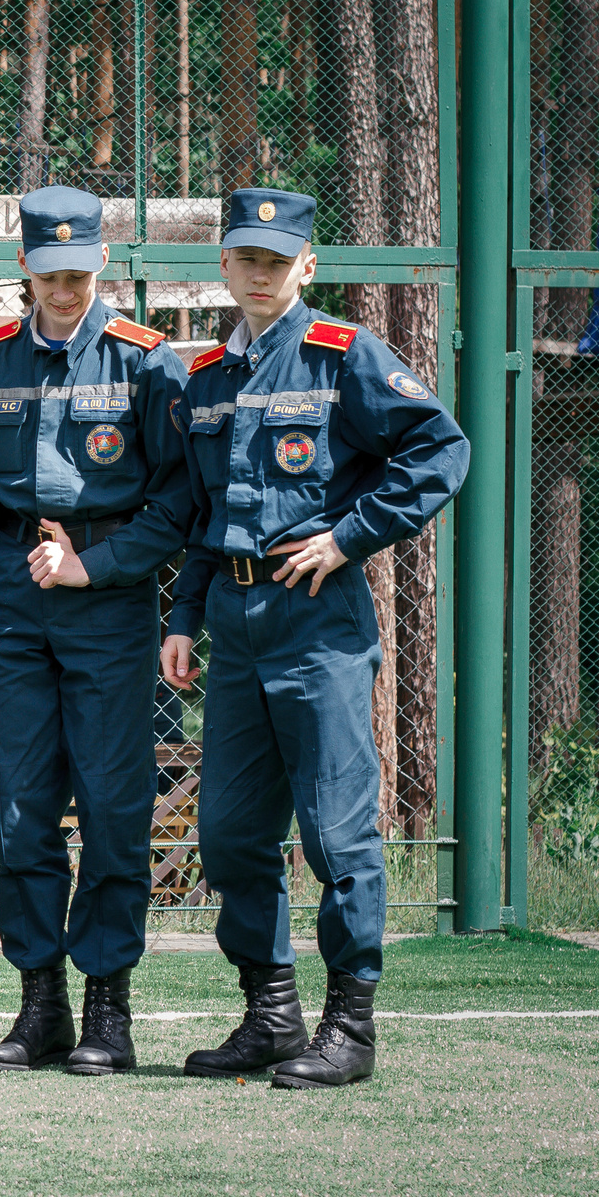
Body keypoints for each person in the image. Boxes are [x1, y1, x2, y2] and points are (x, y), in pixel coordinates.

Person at [163, 189, 468, 1090]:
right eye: (243, 258)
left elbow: (439, 450)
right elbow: (200, 513)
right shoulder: (207, 380)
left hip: (318, 626)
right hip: (235, 629)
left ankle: (350, 1025)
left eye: (275, 259)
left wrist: (350, 536)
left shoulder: (344, 357)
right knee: (227, 834)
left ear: (308, 265)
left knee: (337, 833)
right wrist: (182, 617)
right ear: (222, 264)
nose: (258, 274)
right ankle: (270, 1014)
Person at [0, 187, 193, 1077]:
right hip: (16, 604)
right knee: (19, 810)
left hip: (107, 599)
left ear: (101, 264)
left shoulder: (147, 363)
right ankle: (40, 1003)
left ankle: (108, 1006)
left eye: (80, 271)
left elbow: (179, 499)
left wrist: (98, 564)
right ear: (24, 267)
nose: (65, 286)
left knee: (111, 807)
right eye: (49, 272)